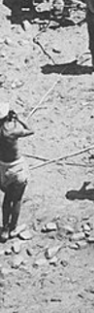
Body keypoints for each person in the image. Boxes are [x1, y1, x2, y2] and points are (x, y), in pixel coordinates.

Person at [0, 103, 33, 241]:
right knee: (17, 199)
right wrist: (18, 119)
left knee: (7, 199)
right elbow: (30, 130)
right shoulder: (12, 131)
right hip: (17, 167)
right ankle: (13, 227)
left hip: (3, 168)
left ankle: (5, 229)